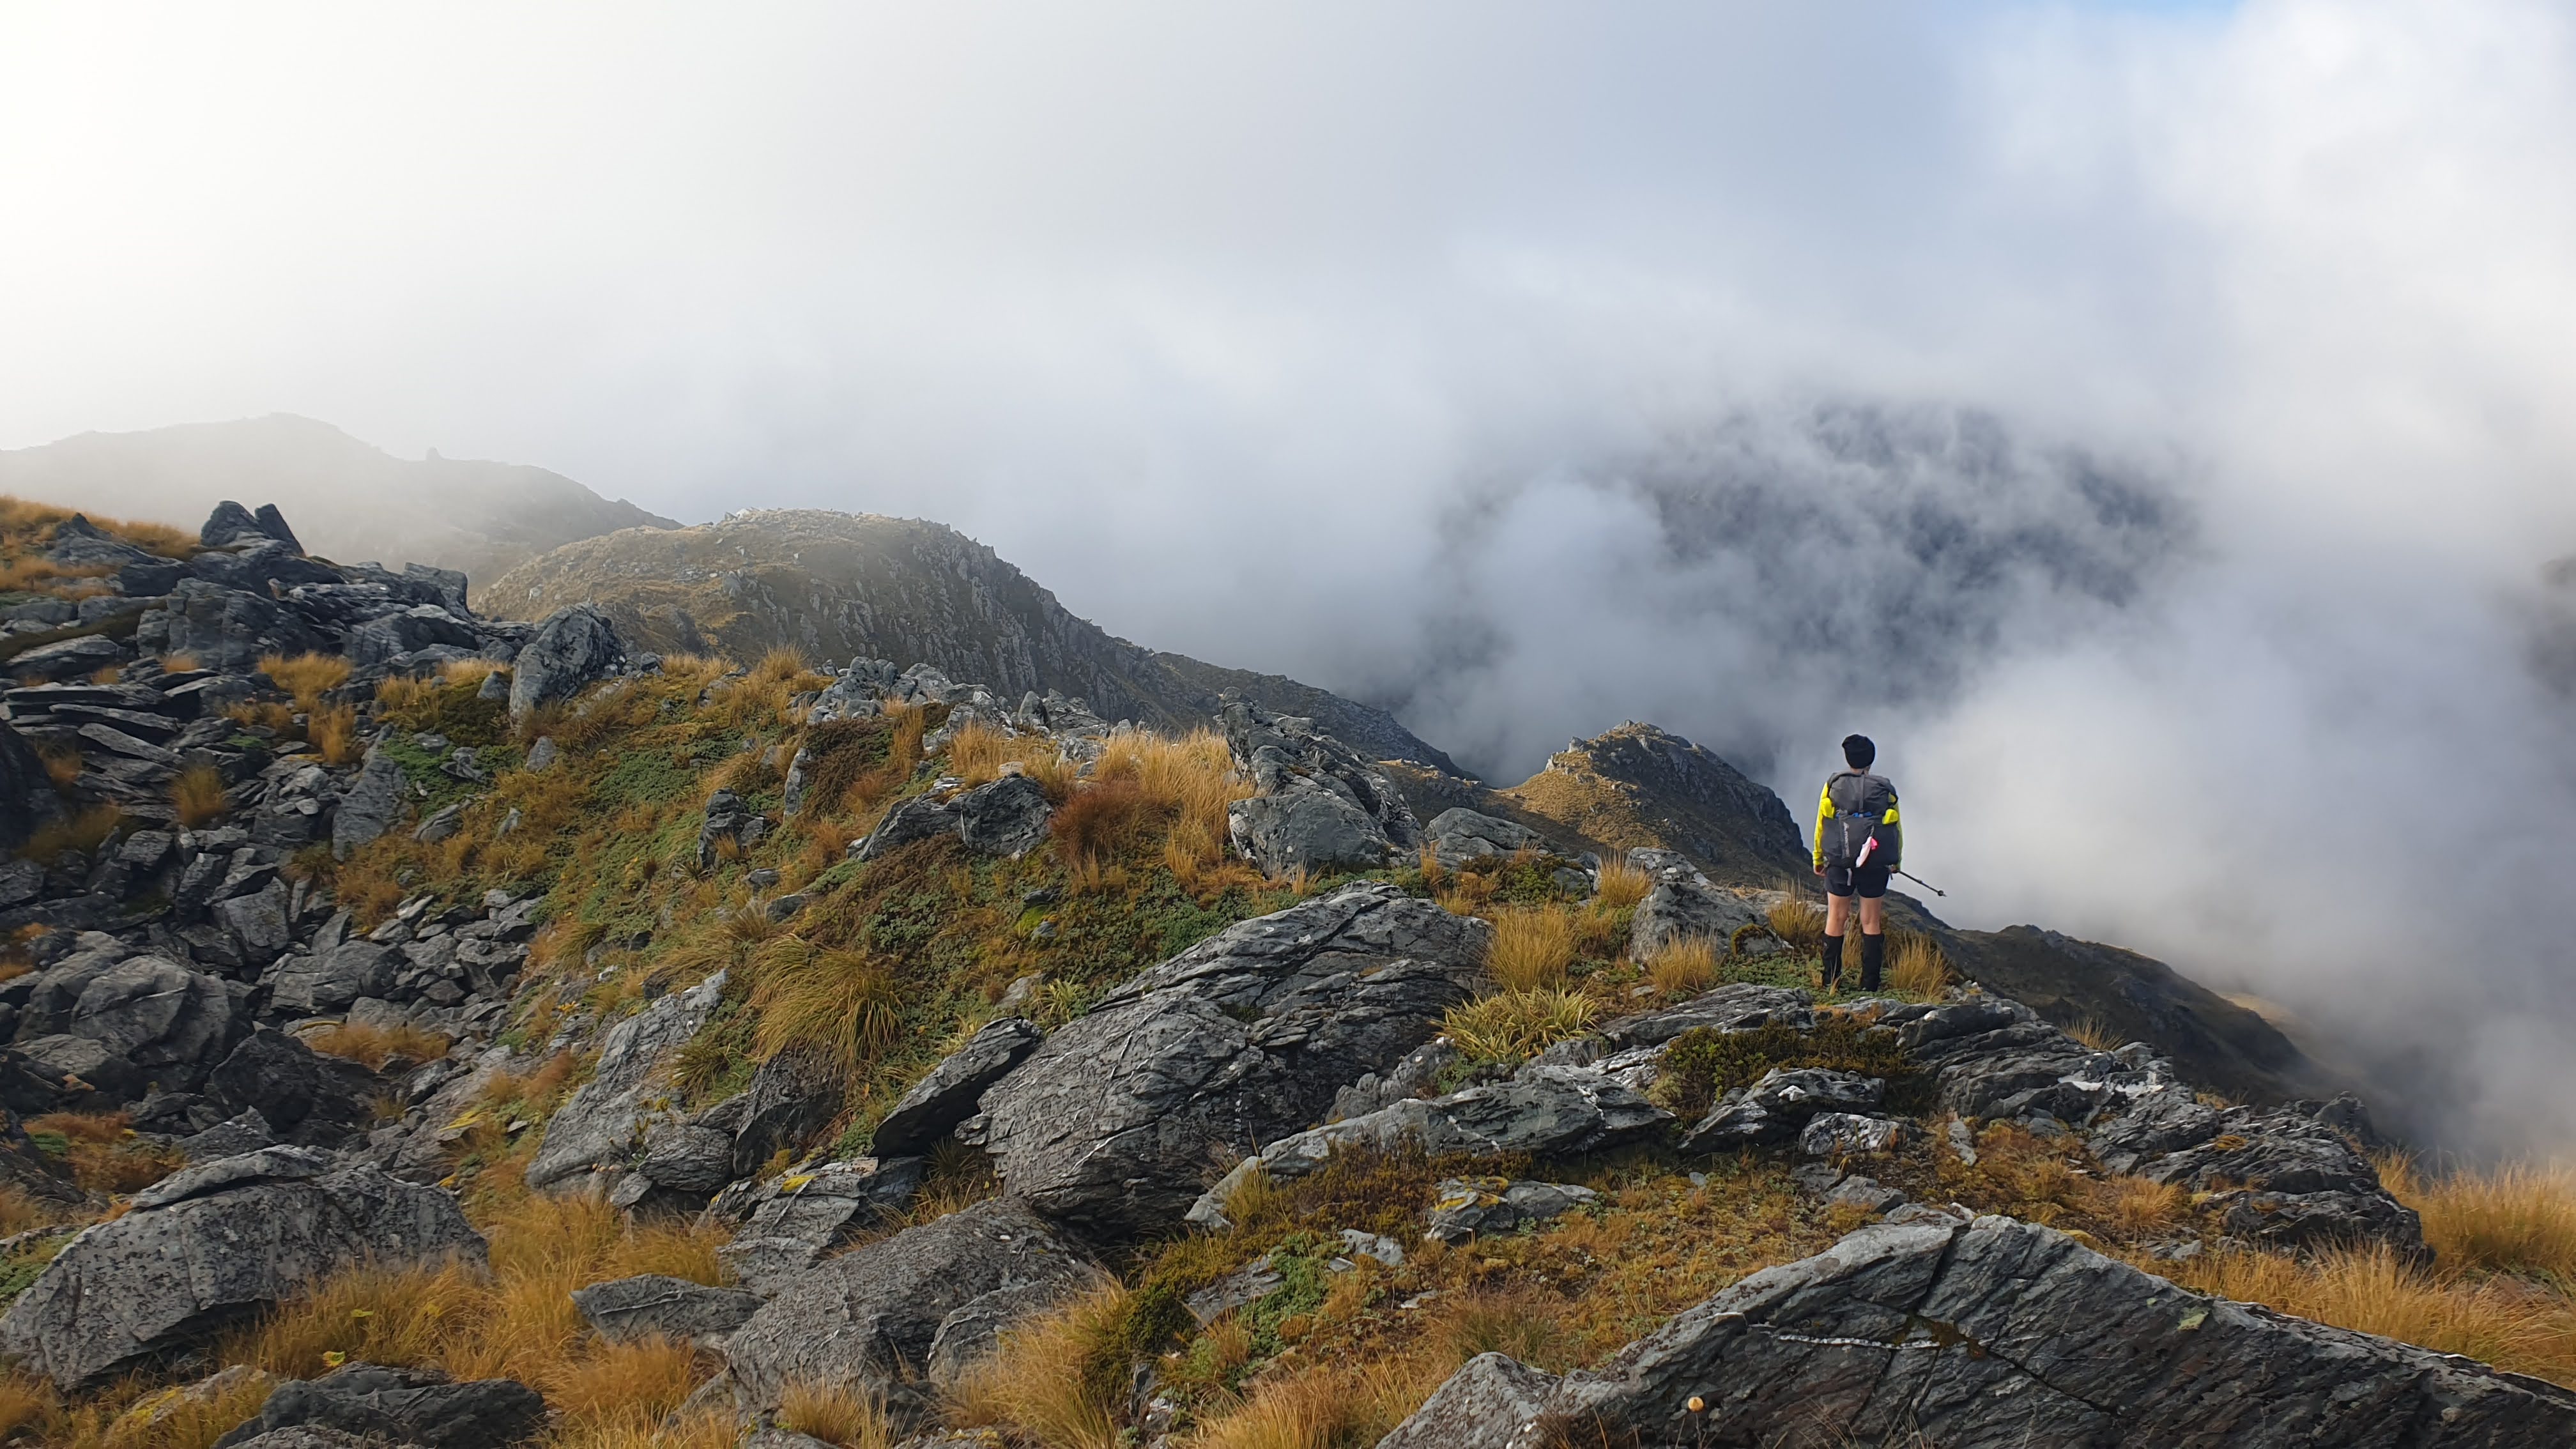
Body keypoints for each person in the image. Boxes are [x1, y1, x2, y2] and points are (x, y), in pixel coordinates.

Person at [1811, 733, 1901, 992]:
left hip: (1840, 862)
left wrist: (1819, 858)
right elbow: (1895, 828)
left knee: (1836, 918)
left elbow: (1822, 825)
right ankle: (1870, 984)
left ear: (1847, 758)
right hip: (1874, 863)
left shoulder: (1833, 785)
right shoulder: (1885, 788)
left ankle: (1832, 982)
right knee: (1871, 921)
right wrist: (1895, 861)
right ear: (1871, 759)